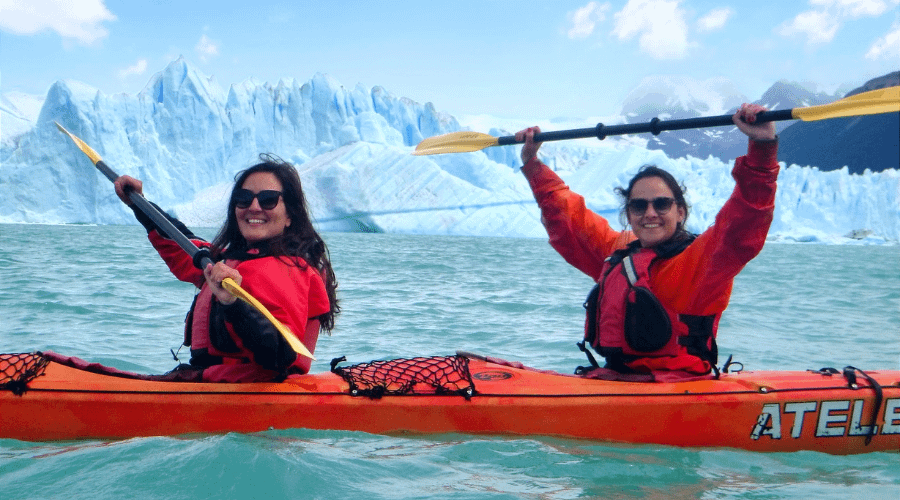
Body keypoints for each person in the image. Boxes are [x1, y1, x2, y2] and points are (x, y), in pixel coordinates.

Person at [515, 104, 778, 379]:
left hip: (677, 387)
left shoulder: (701, 263)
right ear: (629, 214)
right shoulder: (617, 254)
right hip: (618, 380)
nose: (650, 213)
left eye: (661, 204)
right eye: (639, 206)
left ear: (680, 212)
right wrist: (532, 163)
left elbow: (743, 223)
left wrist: (762, 148)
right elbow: (568, 218)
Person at [114, 154, 339, 383]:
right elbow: (183, 244)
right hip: (215, 381)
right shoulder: (230, 261)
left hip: (246, 390)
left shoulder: (290, 270)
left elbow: (278, 354)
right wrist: (140, 203)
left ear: (290, 214)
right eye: (243, 198)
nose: (254, 207)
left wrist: (233, 304)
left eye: (268, 199)